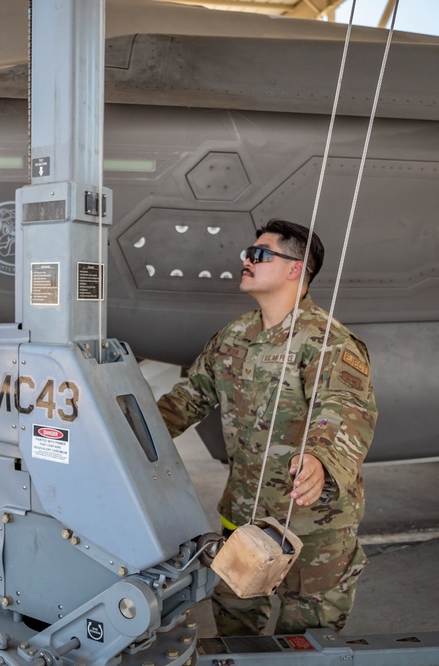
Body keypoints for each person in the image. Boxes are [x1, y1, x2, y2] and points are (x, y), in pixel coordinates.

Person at [157, 219, 376, 636]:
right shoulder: (234, 337)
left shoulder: (328, 341)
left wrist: (320, 459)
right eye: (248, 253)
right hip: (244, 516)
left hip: (312, 529)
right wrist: (127, 436)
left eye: (260, 254)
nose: (247, 260)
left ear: (295, 268)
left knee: (306, 640)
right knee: (235, 629)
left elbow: (344, 408)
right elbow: (188, 399)